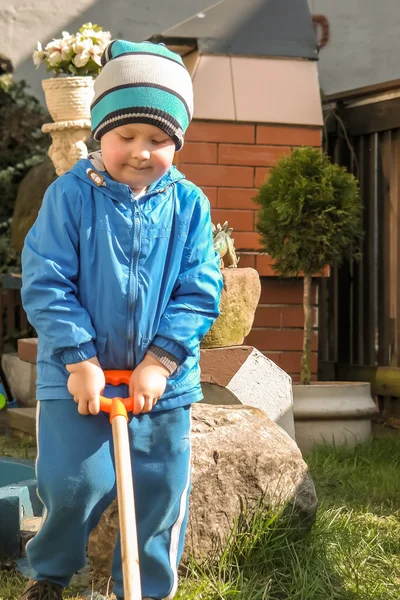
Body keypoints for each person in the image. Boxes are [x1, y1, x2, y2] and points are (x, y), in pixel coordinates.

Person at [20, 39, 222, 600]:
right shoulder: (69, 197)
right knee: (73, 483)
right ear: (99, 135)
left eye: (158, 140)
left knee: (160, 491)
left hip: (163, 383)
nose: (140, 151)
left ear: (177, 142)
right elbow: (47, 281)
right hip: (76, 376)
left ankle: (144, 588)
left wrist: (160, 360)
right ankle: (51, 575)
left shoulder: (190, 205)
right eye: (125, 136)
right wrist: (79, 357)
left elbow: (200, 288)